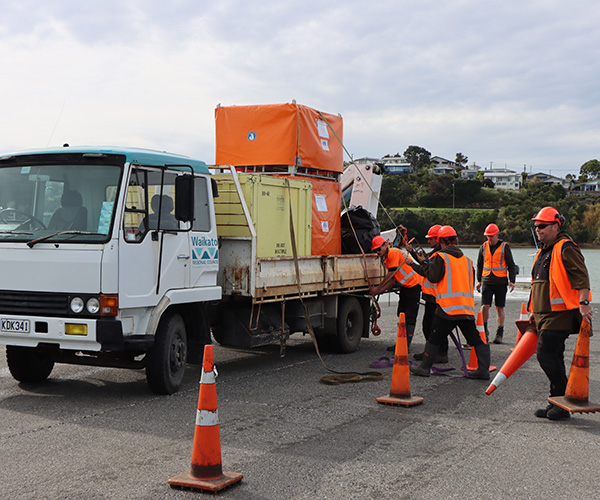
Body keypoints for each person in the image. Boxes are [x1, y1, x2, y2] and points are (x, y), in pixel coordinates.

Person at [529, 207, 593, 421]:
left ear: (556, 226)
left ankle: (563, 402)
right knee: (553, 356)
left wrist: (584, 303)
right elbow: (539, 283)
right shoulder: (544, 250)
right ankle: (556, 401)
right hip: (544, 314)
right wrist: (533, 312)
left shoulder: (565, 247)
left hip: (559, 314)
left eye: (542, 226)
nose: (538, 229)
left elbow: (581, 276)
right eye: (536, 226)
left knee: (545, 354)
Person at [409, 225, 490, 379]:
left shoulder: (442, 257)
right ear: (455, 240)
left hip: (448, 309)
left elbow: (432, 276)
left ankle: (424, 367)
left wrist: (413, 265)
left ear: (441, 241)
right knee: (475, 339)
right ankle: (483, 370)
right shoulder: (467, 260)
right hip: (466, 308)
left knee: (434, 337)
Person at [370, 235, 422, 350]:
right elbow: (392, 282)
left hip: (414, 286)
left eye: (379, 249)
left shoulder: (392, 253)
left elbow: (390, 274)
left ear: (385, 245)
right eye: (375, 250)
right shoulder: (388, 258)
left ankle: (405, 346)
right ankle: (401, 343)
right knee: (402, 314)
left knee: (410, 316)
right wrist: (378, 291)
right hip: (406, 287)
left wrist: (377, 288)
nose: (377, 252)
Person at [407, 225, 449, 363]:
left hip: (436, 297)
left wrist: (411, 264)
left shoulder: (439, 255)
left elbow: (426, 269)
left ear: (438, 239)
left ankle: (439, 353)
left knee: (433, 326)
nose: (429, 241)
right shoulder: (436, 254)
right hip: (432, 296)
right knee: (430, 325)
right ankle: (432, 352)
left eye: (431, 239)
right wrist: (412, 252)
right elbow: (424, 261)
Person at [476, 223, 517, 344]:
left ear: (497, 235)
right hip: (487, 281)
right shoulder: (483, 247)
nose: (489, 238)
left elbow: (511, 265)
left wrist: (512, 281)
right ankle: (484, 331)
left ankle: (500, 333)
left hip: (500, 282)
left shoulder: (505, 247)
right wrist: (479, 281)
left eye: (491, 236)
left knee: (499, 308)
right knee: (485, 306)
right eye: (487, 236)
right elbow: (479, 264)